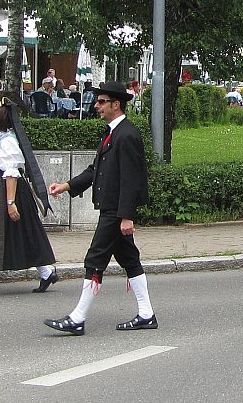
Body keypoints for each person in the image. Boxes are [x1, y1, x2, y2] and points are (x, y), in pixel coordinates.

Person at [44, 81, 155, 335]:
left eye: (101, 101)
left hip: (116, 211)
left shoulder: (127, 135)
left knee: (94, 259)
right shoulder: (113, 133)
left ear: (116, 105)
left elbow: (132, 179)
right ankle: (146, 314)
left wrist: (127, 216)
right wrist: (67, 185)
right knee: (129, 259)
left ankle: (78, 318)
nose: (97, 105)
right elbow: (96, 170)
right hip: (111, 208)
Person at [0, 101, 58, 297]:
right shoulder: (1, 138)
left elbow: (11, 173)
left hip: (7, 192)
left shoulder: (7, 141)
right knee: (22, 233)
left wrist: (10, 202)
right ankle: (46, 272)